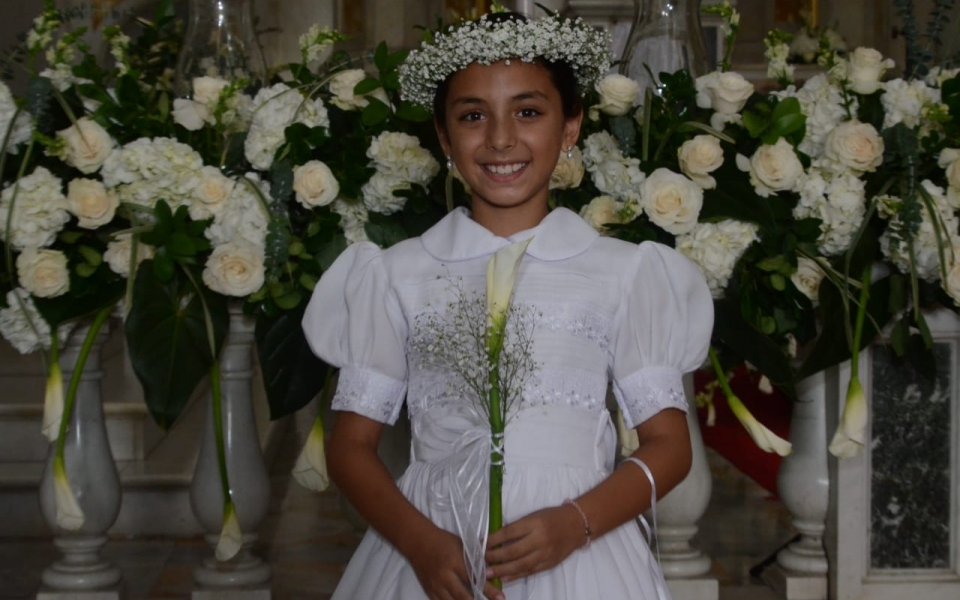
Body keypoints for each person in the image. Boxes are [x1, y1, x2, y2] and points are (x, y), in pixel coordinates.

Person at [302, 9, 713, 600]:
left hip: (581, 560)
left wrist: (578, 522)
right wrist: (420, 543)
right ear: (443, 136)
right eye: (473, 116)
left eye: (528, 112)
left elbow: (671, 449)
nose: (500, 139)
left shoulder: (623, 273)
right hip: (434, 553)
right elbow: (350, 447)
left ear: (569, 127)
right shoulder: (397, 275)